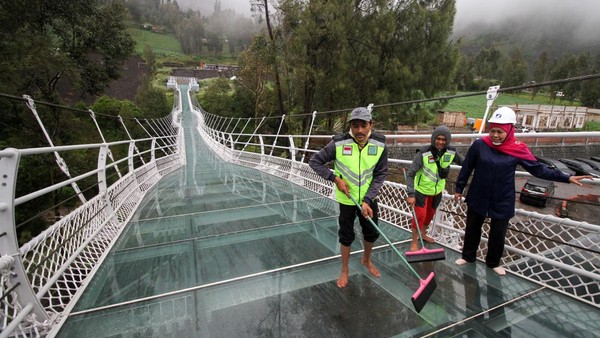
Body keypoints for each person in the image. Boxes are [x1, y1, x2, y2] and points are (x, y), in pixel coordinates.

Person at [453, 107, 592, 276]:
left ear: (511, 130)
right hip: (478, 194)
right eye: (492, 131)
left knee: (498, 234)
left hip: (502, 197)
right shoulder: (480, 145)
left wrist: (567, 177)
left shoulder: (518, 148)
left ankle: (493, 263)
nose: (495, 135)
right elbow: (467, 167)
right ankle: (468, 256)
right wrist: (459, 189)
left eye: (500, 132)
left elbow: (538, 169)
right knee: (472, 228)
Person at [309, 107, 388, 288]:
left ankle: (366, 260)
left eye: (363, 125)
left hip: (369, 200)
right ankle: (344, 270)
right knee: (346, 235)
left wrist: (368, 199)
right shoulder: (338, 144)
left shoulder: (380, 144)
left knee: (372, 232)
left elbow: (380, 174)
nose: (359, 130)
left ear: (371, 125)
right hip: (346, 200)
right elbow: (314, 162)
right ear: (350, 127)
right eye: (355, 126)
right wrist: (334, 179)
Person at [406, 125, 462, 252]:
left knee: (429, 215)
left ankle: (423, 234)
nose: (441, 142)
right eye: (438, 139)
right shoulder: (424, 153)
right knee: (420, 216)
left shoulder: (451, 152)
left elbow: (465, 163)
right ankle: (414, 243)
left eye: (444, 139)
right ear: (433, 139)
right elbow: (410, 174)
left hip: (437, 192)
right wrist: (410, 193)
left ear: (447, 141)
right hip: (421, 191)